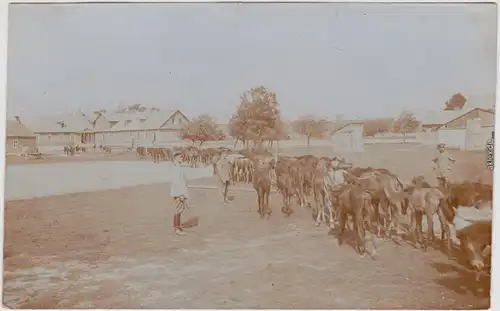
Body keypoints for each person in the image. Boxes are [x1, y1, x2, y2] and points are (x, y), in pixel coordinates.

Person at [171, 152, 189, 236]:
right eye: (181, 157)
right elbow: (176, 182)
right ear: (176, 158)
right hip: (178, 193)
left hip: (180, 192)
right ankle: (176, 228)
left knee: (180, 210)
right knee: (178, 210)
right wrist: (181, 194)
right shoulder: (175, 168)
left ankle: (178, 226)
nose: (182, 158)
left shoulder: (178, 167)